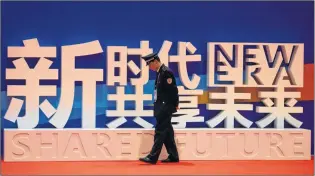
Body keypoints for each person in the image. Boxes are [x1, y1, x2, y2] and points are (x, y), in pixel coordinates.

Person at [139, 52, 180, 164]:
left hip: (165, 107)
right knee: (167, 133)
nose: (149, 67)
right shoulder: (160, 72)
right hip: (161, 106)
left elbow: (173, 90)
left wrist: (175, 104)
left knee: (160, 131)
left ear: (155, 61)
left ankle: (153, 157)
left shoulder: (166, 72)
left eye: (150, 64)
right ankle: (173, 156)